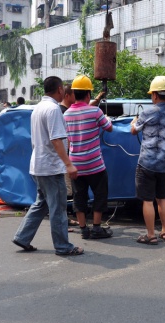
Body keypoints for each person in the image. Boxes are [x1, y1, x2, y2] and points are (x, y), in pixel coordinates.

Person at [13, 76, 83, 256]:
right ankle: (63, 246)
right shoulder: (53, 109)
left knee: (41, 204)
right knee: (58, 208)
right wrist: (69, 164)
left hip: (39, 165)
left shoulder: (38, 108)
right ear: (60, 89)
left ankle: (22, 236)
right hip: (51, 167)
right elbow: (56, 139)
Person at [130, 76, 165, 245]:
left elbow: (133, 131)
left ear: (155, 95)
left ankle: (151, 235)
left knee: (147, 200)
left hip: (147, 164)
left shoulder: (147, 113)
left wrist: (134, 121)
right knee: (162, 199)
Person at [64, 75, 114, 240]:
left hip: (76, 164)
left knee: (79, 196)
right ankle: (97, 228)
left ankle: (84, 229)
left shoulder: (66, 115)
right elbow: (109, 128)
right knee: (100, 194)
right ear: (87, 94)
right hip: (95, 165)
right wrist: (106, 118)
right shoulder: (95, 111)